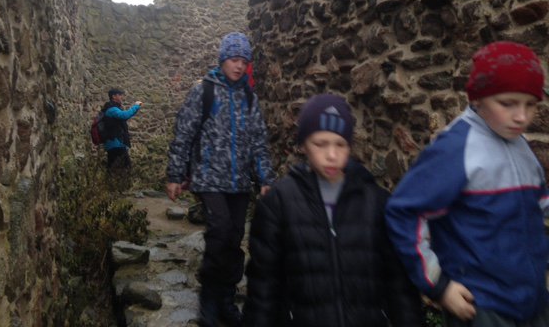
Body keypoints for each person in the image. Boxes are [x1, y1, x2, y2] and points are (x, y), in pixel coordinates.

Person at [385, 41, 549, 327]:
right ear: (478, 98)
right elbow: (404, 212)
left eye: (531, 104)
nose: (522, 116)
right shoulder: (455, 147)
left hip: (533, 300)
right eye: (507, 103)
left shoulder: (520, 144)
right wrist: (439, 285)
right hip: (482, 307)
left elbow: (540, 202)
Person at [242, 93, 424, 327]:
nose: (331, 155)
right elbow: (263, 291)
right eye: (320, 144)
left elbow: (400, 287)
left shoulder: (376, 202)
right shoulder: (278, 204)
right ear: (304, 145)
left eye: (340, 144)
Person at [166, 32, 276, 327]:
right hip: (208, 178)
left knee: (235, 238)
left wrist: (265, 178)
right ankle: (209, 301)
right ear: (223, 60)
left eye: (244, 61)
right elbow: (184, 134)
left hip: (239, 182)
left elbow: (259, 142)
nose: (239, 66)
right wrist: (175, 175)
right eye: (234, 59)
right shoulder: (204, 92)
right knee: (220, 232)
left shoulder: (249, 98)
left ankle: (227, 298)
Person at [101, 88, 142, 176]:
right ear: (113, 96)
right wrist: (136, 106)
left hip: (114, 144)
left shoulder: (112, 108)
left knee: (113, 168)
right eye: (119, 95)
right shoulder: (112, 109)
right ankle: (118, 183)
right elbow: (124, 115)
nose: (121, 97)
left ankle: (111, 182)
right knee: (126, 168)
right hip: (115, 144)